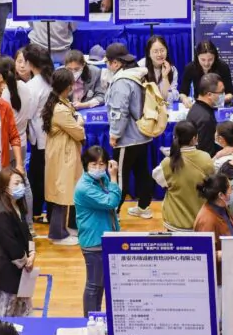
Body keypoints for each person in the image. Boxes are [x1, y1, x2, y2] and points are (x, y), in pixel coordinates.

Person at [104, 44, 155, 219]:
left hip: (127, 137)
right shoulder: (138, 74)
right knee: (142, 172)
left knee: (119, 174)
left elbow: (119, 111)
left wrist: (115, 134)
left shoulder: (122, 81)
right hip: (143, 134)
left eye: (108, 62)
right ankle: (144, 207)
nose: (107, 66)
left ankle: (114, 212)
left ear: (116, 63)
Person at [73, 146, 121, 315]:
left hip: (107, 238)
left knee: (102, 284)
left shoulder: (102, 180)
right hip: (94, 242)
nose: (99, 168)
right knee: (94, 285)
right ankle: (90, 321)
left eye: (102, 164)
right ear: (86, 165)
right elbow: (111, 202)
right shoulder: (84, 187)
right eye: (94, 164)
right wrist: (114, 177)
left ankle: (98, 320)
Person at [0, 167, 35, 317]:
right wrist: (26, 261)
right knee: (5, 315)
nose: (21, 187)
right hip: (4, 270)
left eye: (22, 183)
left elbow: (27, 232)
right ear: (5, 187)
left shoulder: (18, 205)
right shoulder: (1, 212)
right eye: (16, 183)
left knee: (22, 313)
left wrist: (32, 252)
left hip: (20, 267)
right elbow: (10, 243)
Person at [42, 68, 85, 245]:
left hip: (65, 154)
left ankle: (71, 227)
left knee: (71, 190)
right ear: (68, 86)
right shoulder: (60, 109)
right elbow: (78, 132)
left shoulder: (60, 103)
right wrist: (80, 121)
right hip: (62, 157)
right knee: (61, 193)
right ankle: (57, 234)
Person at [156, 121, 216, 233]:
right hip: (200, 220)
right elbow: (212, 181)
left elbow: (158, 178)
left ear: (174, 137)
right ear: (195, 138)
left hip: (175, 222)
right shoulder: (206, 158)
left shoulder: (167, 162)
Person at [186, 74, 224, 155]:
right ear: (209, 95)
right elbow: (206, 153)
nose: (223, 95)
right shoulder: (205, 119)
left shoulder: (196, 107)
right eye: (221, 92)